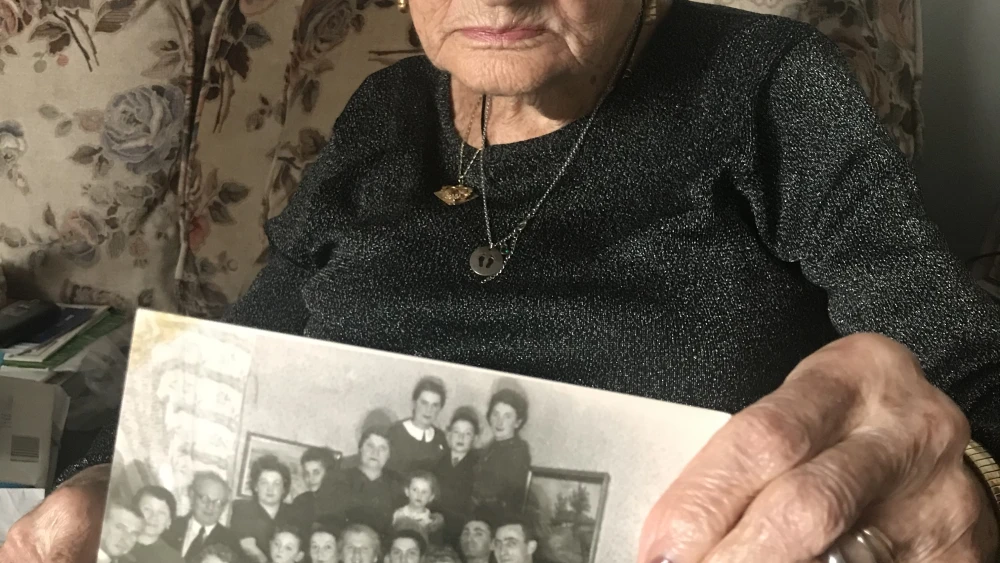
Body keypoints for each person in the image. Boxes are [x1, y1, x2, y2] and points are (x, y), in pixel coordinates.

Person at [9, 0, 1000, 560]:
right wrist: (94, 492)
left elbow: (965, 382)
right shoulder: (379, 113)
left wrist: (973, 489)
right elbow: (232, 371)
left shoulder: (763, 81)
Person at [322, 427, 403, 536]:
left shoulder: (396, 485)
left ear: (389, 455)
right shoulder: (339, 479)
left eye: (382, 448)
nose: (375, 453)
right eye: (370, 446)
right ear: (360, 448)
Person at [472, 390, 532, 514]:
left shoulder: (518, 451)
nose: (499, 422)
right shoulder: (493, 447)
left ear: (517, 422)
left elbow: (506, 499)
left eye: (507, 416)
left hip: (497, 519)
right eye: (495, 414)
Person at [162, 471, 242, 563]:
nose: (210, 507)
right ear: (192, 495)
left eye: (218, 502)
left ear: (224, 507)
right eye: (205, 499)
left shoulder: (231, 541)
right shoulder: (170, 527)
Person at [231, 454, 296, 563]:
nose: (270, 489)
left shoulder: (293, 513)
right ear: (256, 486)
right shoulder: (241, 509)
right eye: (264, 482)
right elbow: (247, 547)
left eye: (276, 483)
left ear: (284, 489)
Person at [433, 407, 481, 546]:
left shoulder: (478, 467)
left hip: (461, 531)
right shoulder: (437, 462)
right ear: (448, 434)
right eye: (456, 432)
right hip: (435, 528)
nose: (460, 438)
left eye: (467, 434)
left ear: (475, 438)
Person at [386, 377, 450, 475]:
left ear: (440, 409)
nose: (429, 410)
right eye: (424, 403)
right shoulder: (396, 432)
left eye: (435, 405)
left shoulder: (440, 438)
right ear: (414, 403)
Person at [289, 447, 340, 532]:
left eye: (316, 473)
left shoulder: (340, 503)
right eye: (306, 473)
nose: (310, 478)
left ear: (329, 474)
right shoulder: (300, 501)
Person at [132, 486, 185, 563]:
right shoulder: (118, 542)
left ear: (169, 522)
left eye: (161, 513)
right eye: (147, 509)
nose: (153, 517)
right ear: (134, 510)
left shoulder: (173, 560)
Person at [392, 470, 445, 539]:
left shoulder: (430, 521)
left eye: (424, 492)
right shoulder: (398, 515)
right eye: (415, 490)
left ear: (431, 497)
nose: (419, 495)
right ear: (407, 491)